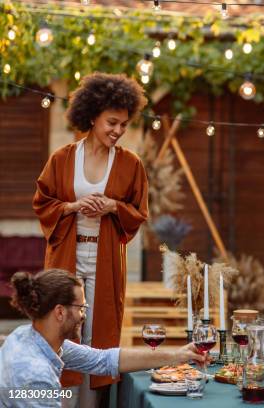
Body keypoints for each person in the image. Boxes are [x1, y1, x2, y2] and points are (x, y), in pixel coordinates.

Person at [32, 72, 149, 406]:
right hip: (66, 259)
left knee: (99, 337)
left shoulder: (130, 164)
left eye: (124, 124)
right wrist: (72, 206)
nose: (117, 130)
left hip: (106, 263)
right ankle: (58, 402)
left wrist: (113, 206)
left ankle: (91, 405)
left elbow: (138, 213)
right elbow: (42, 202)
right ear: (92, 116)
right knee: (61, 332)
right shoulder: (63, 158)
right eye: (112, 122)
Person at [0, 270, 209, 408]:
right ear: (60, 312)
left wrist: (180, 354)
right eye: (81, 308)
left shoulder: (26, 335)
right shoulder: (35, 376)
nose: (84, 315)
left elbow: (105, 360)